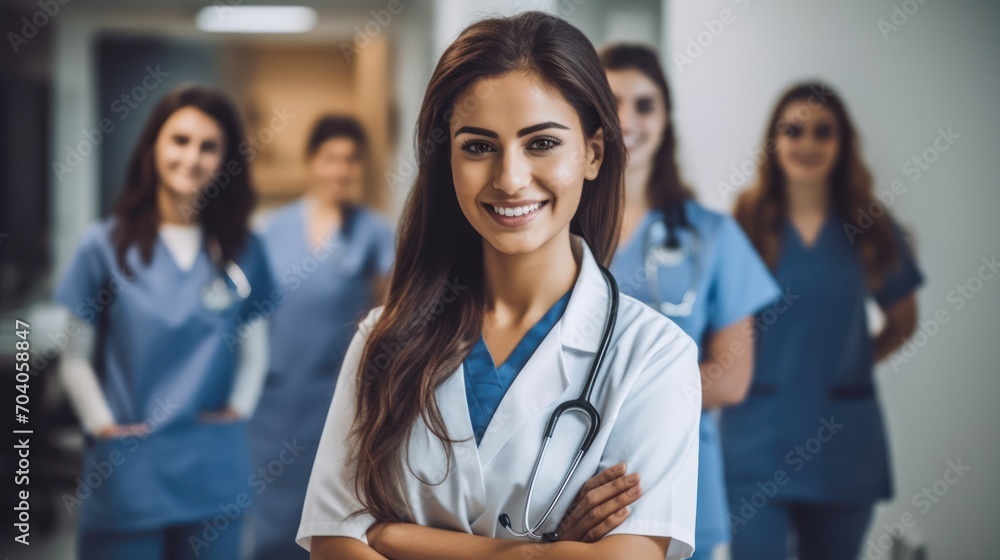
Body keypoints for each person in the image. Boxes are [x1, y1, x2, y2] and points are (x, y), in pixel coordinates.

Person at [297, 11, 702, 560]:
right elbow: (333, 541)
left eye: (541, 144)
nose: (510, 179)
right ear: (448, 158)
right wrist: (534, 551)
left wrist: (389, 536)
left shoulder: (654, 355)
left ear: (593, 153)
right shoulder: (383, 339)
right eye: (479, 146)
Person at [54, 85, 277, 560]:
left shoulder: (241, 249)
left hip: (212, 464)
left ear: (224, 160)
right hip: (130, 469)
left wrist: (239, 407)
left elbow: (255, 346)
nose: (191, 157)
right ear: (153, 146)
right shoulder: (104, 245)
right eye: (179, 140)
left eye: (208, 146)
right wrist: (103, 424)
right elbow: (74, 359)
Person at [720, 82, 924, 559]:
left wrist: (847, 366)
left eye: (822, 132)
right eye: (793, 130)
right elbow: (719, 326)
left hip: (842, 444)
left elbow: (903, 321)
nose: (807, 143)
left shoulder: (870, 226)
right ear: (775, 142)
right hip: (757, 444)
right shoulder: (745, 225)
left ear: (842, 142)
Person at [601, 44, 781, 560]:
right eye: (611, 101)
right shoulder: (553, 229)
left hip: (684, 480)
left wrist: (609, 403)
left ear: (666, 118)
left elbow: (731, 376)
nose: (627, 120)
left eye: (645, 104)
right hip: (569, 482)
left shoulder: (713, 235)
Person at [248, 115, 395, 560]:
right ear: (313, 161)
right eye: (331, 158)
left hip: (339, 398)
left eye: (351, 160)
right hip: (274, 400)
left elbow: (392, 316)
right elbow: (248, 318)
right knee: (268, 519)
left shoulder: (373, 232)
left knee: (331, 518)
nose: (341, 169)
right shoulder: (270, 229)